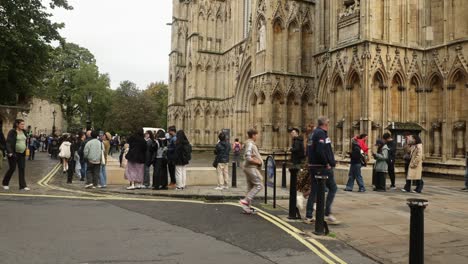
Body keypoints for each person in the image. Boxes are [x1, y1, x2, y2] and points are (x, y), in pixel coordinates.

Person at [304, 116, 339, 224]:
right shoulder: (320, 134)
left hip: (314, 166)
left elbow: (309, 150)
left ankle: (309, 216)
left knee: (314, 190)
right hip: (321, 167)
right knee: (333, 188)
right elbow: (320, 150)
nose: (328, 126)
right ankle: (327, 213)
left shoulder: (313, 134)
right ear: (325, 124)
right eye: (328, 124)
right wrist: (326, 163)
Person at [239, 128, 264, 214]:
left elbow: (248, 155)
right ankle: (245, 200)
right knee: (259, 185)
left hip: (248, 167)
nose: (257, 136)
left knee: (250, 187)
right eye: (256, 134)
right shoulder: (250, 143)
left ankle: (246, 208)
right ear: (253, 135)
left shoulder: (249, 143)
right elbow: (248, 157)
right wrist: (258, 161)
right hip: (251, 168)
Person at [2, 119, 30, 191]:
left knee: (22, 169)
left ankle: (22, 186)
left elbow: (25, 141)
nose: (23, 125)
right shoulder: (12, 132)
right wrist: (10, 152)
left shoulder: (24, 131)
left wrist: (26, 148)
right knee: (12, 168)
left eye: (24, 124)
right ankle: (5, 183)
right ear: (17, 124)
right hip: (13, 153)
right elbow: (8, 143)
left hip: (22, 153)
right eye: (22, 124)